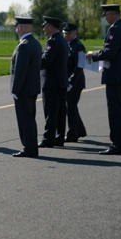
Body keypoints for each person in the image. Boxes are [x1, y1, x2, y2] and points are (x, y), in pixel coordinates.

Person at [86, 4, 121, 155]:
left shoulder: (114, 29)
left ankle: (117, 145)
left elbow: (109, 52)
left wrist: (92, 55)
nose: (105, 18)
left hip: (114, 75)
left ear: (112, 14)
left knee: (115, 112)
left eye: (106, 15)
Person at [10, 17, 43, 158]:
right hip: (32, 88)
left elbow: (20, 70)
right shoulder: (35, 43)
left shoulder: (24, 45)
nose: (16, 29)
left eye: (16, 26)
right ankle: (31, 147)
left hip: (23, 89)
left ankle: (28, 148)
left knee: (25, 120)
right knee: (29, 118)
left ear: (20, 28)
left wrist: (15, 90)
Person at [38, 16, 69, 148]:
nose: (44, 29)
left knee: (50, 111)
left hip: (51, 82)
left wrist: (36, 58)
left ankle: (48, 138)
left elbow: (45, 61)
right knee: (60, 111)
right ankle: (59, 137)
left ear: (50, 27)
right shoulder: (61, 39)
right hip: (60, 80)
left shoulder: (53, 41)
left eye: (45, 26)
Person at [62, 22, 87, 142]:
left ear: (75, 33)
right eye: (64, 33)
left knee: (70, 107)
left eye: (69, 33)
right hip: (67, 81)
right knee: (71, 107)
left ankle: (72, 134)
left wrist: (71, 82)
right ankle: (80, 130)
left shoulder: (79, 46)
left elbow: (80, 66)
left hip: (76, 82)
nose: (66, 35)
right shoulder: (67, 44)